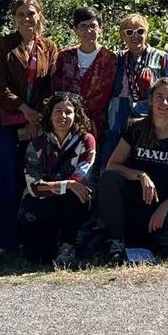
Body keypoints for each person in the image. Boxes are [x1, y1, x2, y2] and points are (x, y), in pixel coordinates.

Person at [0, 0, 59, 254]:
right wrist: (24, 110)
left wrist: (37, 117)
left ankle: (27, 237)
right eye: (21, 14)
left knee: (34, 179)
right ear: (14, 17)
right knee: (8, 178)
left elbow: (51, 86)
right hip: (8, 121)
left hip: (37, 123)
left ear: (39, 15)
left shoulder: (49, 47)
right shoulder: (4, 45)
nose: (26, 19)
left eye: (31, 13)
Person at [98, 77, 168, 253]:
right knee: (109, 179)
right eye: (159, 97)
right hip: (138, 197)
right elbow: (112, 165)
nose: (164, 102)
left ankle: (161, 238)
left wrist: (164, 207)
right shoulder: (136, 128)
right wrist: (140, 175)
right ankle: (116, 241)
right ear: (150, 100)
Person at [20, 93, 97, 267]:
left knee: (74, 196)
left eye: (68, 112)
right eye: (58, 111)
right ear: (50, 114)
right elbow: (33, 186)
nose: (63, 116)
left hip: (73, 202)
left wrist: (53, 186)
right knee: (36, 257)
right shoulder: (36, 145)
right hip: (45, 202)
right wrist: (67, 184)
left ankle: (67, 246)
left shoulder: (85, 141)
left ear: (75, 115)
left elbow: (81, 177)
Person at [105, 12, 168, 153]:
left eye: (140, 31)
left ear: (147, 33)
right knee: (113, 152)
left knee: (144, 150)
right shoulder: (116, 58)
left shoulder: (161, 57)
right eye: (129, 32)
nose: (135, 36)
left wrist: (152, 88)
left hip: (148, 110)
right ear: (123, 36)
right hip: (119, 112)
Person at [51, 6, 118, 146]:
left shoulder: (109, 58)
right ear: (75, 29)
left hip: (96, 125)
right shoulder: (64, 56)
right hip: (64, 124)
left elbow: (104, 94)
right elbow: (56, 89)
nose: (88, 31)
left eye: (93, 26)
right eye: (83, 26)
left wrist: (80, 116)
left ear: (100, 28)